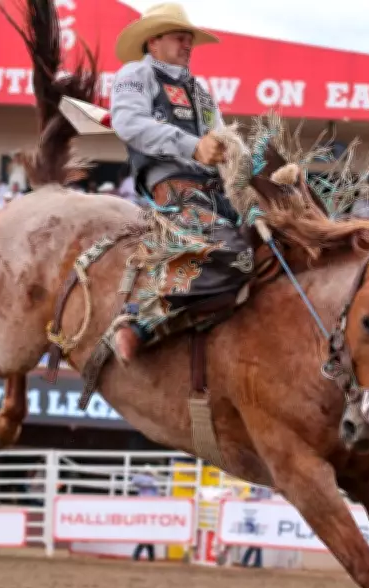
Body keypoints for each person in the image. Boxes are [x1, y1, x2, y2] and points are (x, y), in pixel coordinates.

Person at [109, 3, 255, 362]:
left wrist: (240, 161)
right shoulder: (136, 74)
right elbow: (128, 123)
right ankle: (142, 320)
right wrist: (193, 146)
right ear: (153, 41)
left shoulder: (200, 91)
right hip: (172, 187)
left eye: (189, 39)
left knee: (272, 244)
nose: (188, 45)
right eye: (180, 38)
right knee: (234, 251)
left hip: (216, 191)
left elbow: (221, 137)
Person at [130, 465, 160, 561]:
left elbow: (136, 481)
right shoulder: (149, 480)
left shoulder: (152, 481)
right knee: (147, 532)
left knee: (147, 532)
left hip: (148, 507)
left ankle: (139, 555)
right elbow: (134, 481)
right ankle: (149, 556)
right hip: (145, 507)